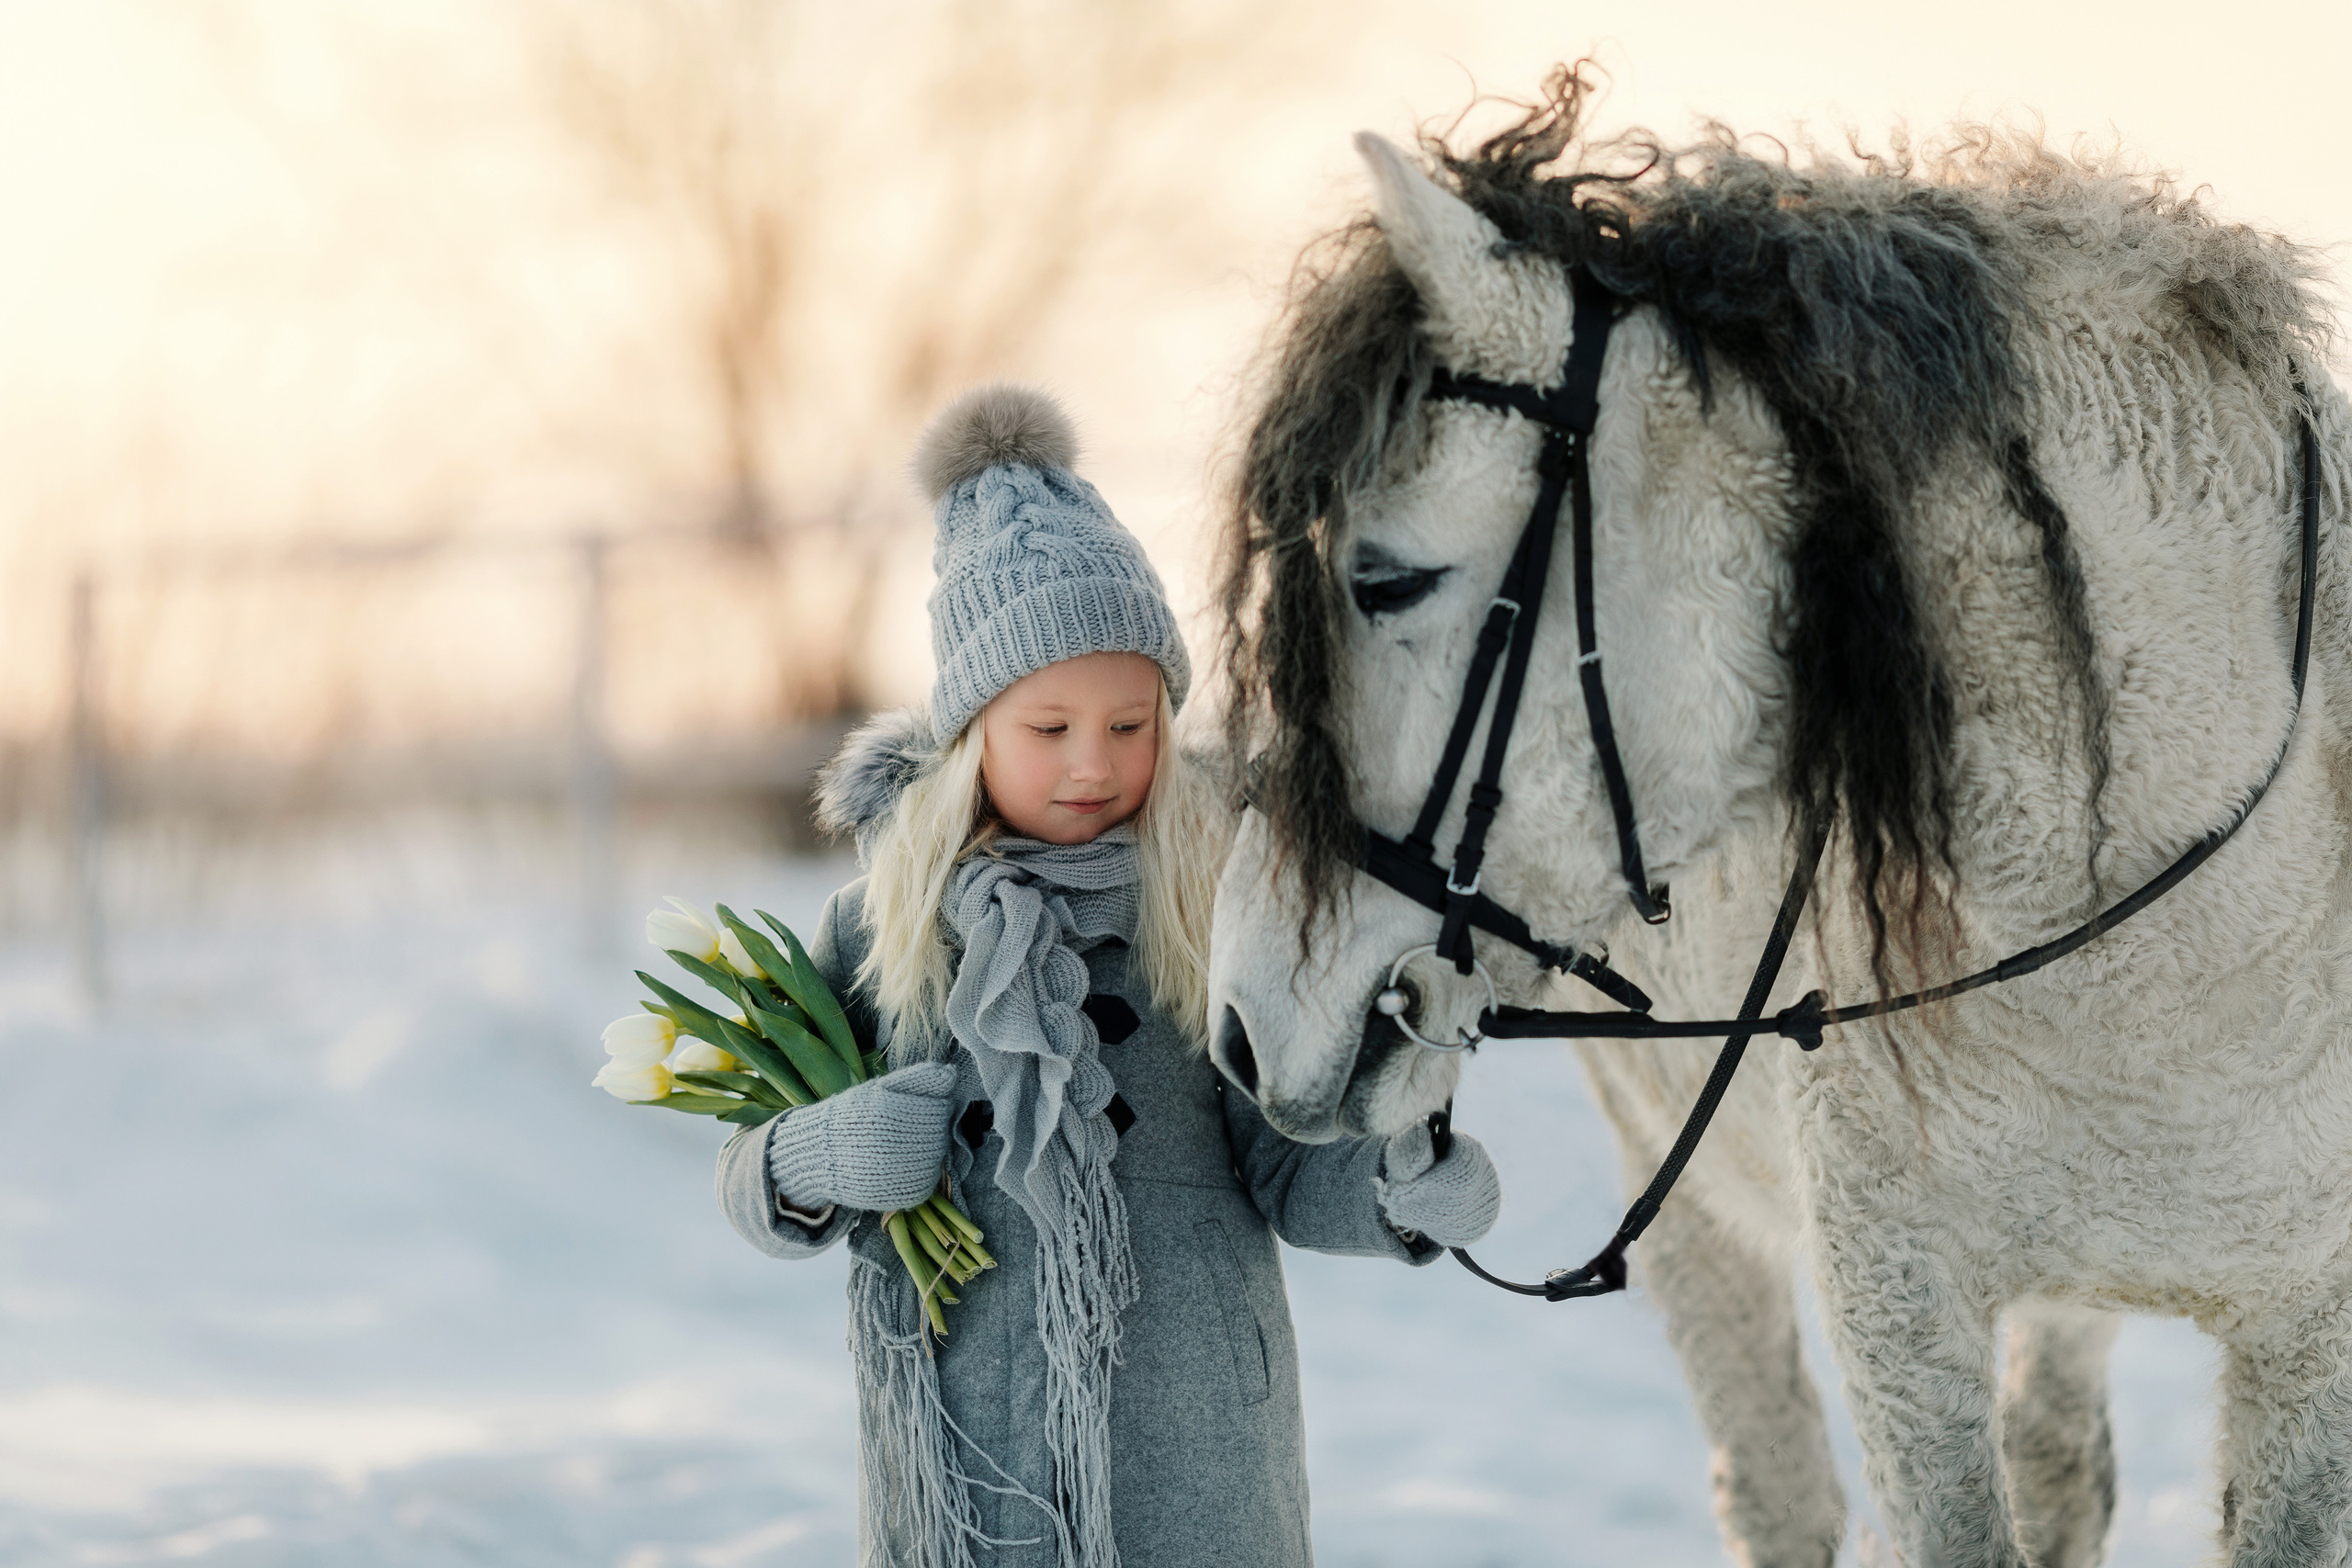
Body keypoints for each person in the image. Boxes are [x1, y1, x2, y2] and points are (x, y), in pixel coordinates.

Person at [715, 384, 1502, 1568]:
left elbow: (1287, 1158)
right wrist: (811, 1158)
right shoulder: (885, 931)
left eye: (1131, 726)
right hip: (969, 1446)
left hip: (1200, 1454)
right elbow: (744, 1169)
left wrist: (1394, 1185)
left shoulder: (1213, 913)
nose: (1095, 764)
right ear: (972, 732)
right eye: (1050, 729)